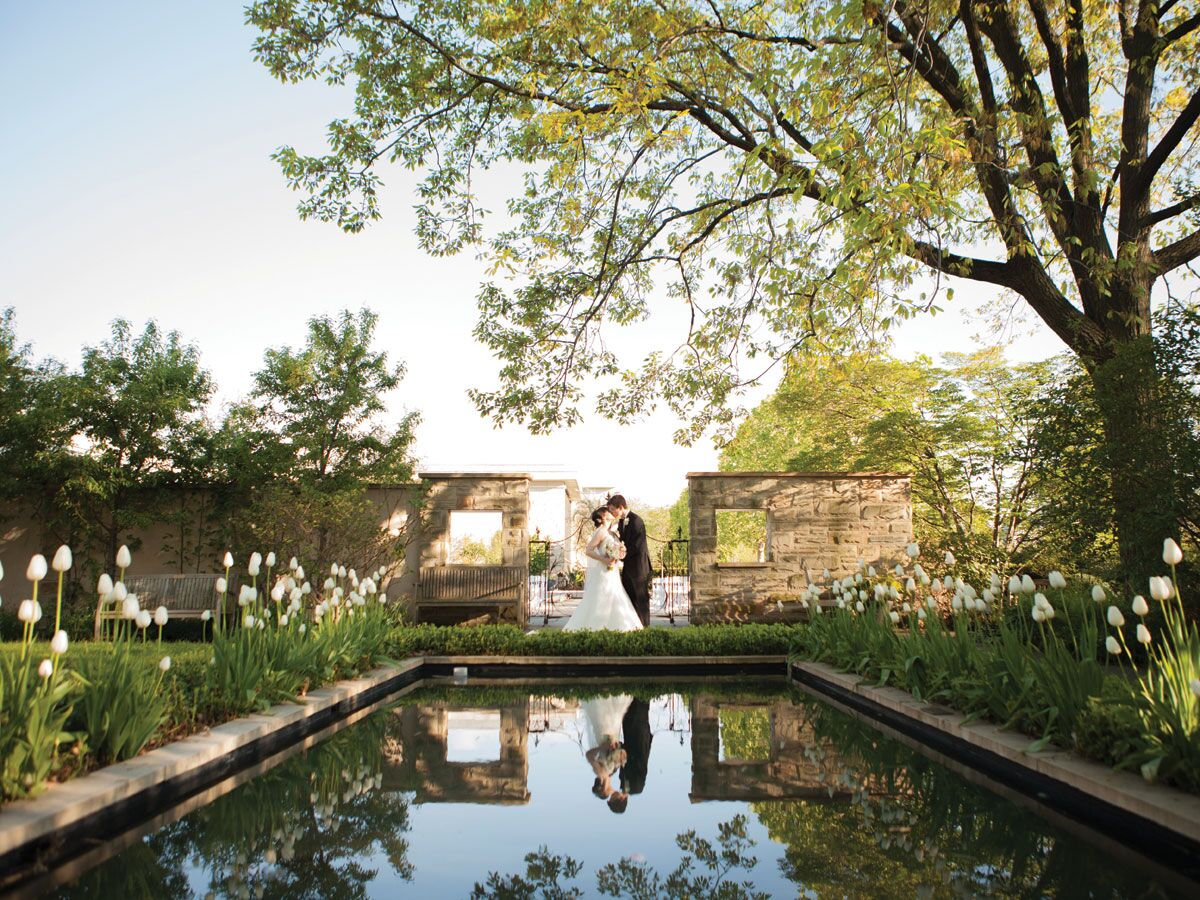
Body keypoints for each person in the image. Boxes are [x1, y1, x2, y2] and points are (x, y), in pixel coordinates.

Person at [563, 506, 644, 632]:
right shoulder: (601, 531)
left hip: (613, 571)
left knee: (616, 596)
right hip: (604, 570)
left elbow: (618, 548)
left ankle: (619, 628)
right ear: (602, 517)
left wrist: (620, 553)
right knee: (602, 597)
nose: (611, 512)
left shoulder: (611, 532)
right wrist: (604, 559)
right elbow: (588, 550)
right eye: (607, 511)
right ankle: (596, 627)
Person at [581, 695, 631, 814]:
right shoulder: (610, 774)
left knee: (603, 708)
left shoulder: (601, 774)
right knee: (613, 710)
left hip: (604, 736)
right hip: (611, 736)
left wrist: (602, 747)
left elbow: (589, 756)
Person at [609, 494, 652, 626]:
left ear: (620, 507)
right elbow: (623, 542)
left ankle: (645, 627)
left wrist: (621, 554)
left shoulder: (636, 520)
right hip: (628, 567)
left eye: (612, 509)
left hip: (639, 568)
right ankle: (633, 626)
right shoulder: (621, 521)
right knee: (629, 598)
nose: (611, 513)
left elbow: (637, 546)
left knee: (641, 600)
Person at [619, 698, 652, 796]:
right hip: (637, 729)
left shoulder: (640, 765)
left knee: (635, 704)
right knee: (638, 704)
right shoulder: (637, 766)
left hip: (634, 729)